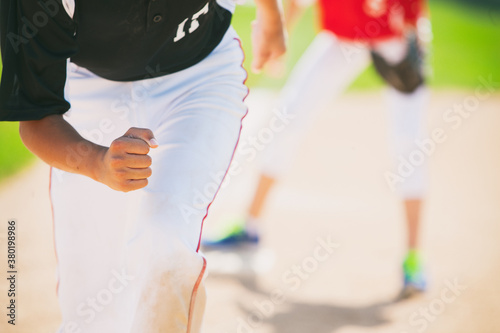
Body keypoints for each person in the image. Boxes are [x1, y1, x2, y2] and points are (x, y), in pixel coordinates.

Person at [0, 0, 285, 331]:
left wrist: (272, 17)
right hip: (88, 84)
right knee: (91, 311)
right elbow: (36, 119)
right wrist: (97, 162)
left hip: (199, 76)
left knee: (166, 245)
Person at [203, 0, 429, 298]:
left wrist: (416, 40)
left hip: (394, 37)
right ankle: (250, 227)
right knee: (287, 118)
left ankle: (413, 258)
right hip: (341, 40)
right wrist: (277, 36)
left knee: (408, 142)